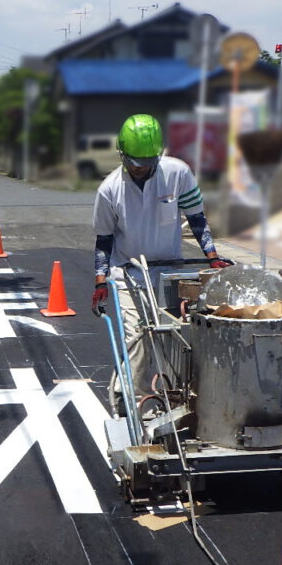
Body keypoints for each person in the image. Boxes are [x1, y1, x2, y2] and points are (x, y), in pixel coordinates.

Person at [90, 113, 232, 401]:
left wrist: (213, 257)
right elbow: (104, 240)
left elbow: (197, 218)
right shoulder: (109, 191)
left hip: (170, 273)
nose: (141, 170)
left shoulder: (178, 173)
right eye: (134, 163)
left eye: (147, 164)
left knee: (173, 338)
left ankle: (166, 397)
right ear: (122, 154)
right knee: (138, 337)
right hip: (128, 272)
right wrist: (100, 281)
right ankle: (133, 402)